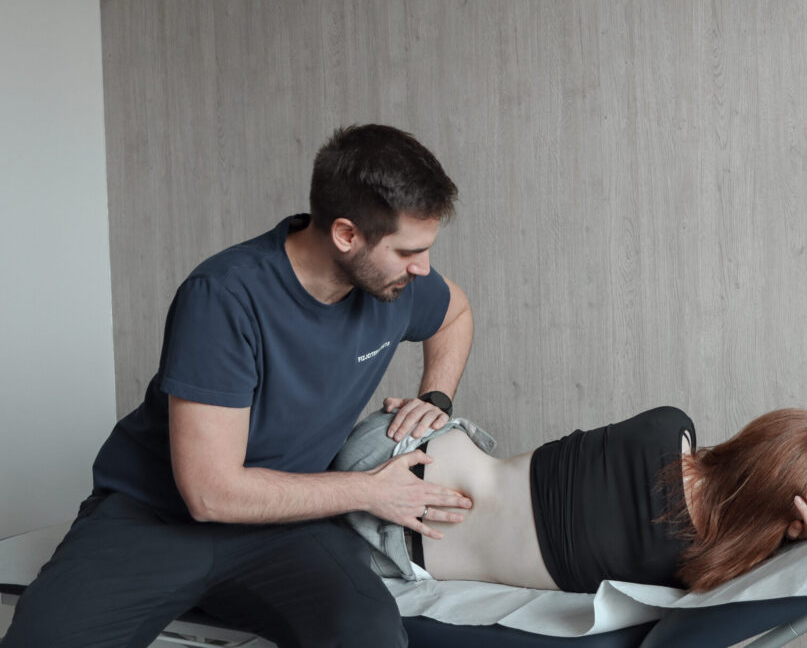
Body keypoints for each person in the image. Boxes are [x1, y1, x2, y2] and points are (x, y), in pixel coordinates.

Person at [3, 124, 476, 648]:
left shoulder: (397, 285)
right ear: (346, 234)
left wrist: (434, 397)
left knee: (368, 635)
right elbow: (210, 493)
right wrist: (370, 490)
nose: (423, 267)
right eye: (408, 251)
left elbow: (454, 314)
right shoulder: (224, 296)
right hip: (154, 521)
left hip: (288, 527)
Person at [335, 406, 807, 593]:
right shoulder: (692, 569)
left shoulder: (668, 426)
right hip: (397, 547)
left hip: (397, 443)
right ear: (793, 515)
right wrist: (797, 539)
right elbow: (761, 580)